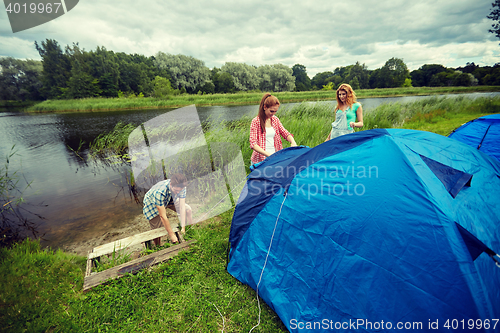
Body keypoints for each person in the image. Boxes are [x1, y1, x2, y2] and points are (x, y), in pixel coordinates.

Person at [142, 173, 192, 246]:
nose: (178, 192)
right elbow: (163, 216)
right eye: (176, 190)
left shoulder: (181, 186)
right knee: (157, 228)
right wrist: (172, 235)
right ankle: (158, 245)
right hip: (153, 202)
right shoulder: (159, 192)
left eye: (179, 190)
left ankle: (189, 228)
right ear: (171, 184)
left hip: (170, 198)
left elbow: (182, 207)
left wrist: (183, 228)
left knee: (188, 209)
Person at [249, 93, 297, 165]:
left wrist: (293, 142)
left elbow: (285, 133)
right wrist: (269, 155)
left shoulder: (275, 120)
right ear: (265, 107)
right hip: (260, 161)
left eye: (275, 111)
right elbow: (253, 144)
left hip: (275, 159)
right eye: (271, 111)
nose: (273, 114)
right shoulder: (256, 121)